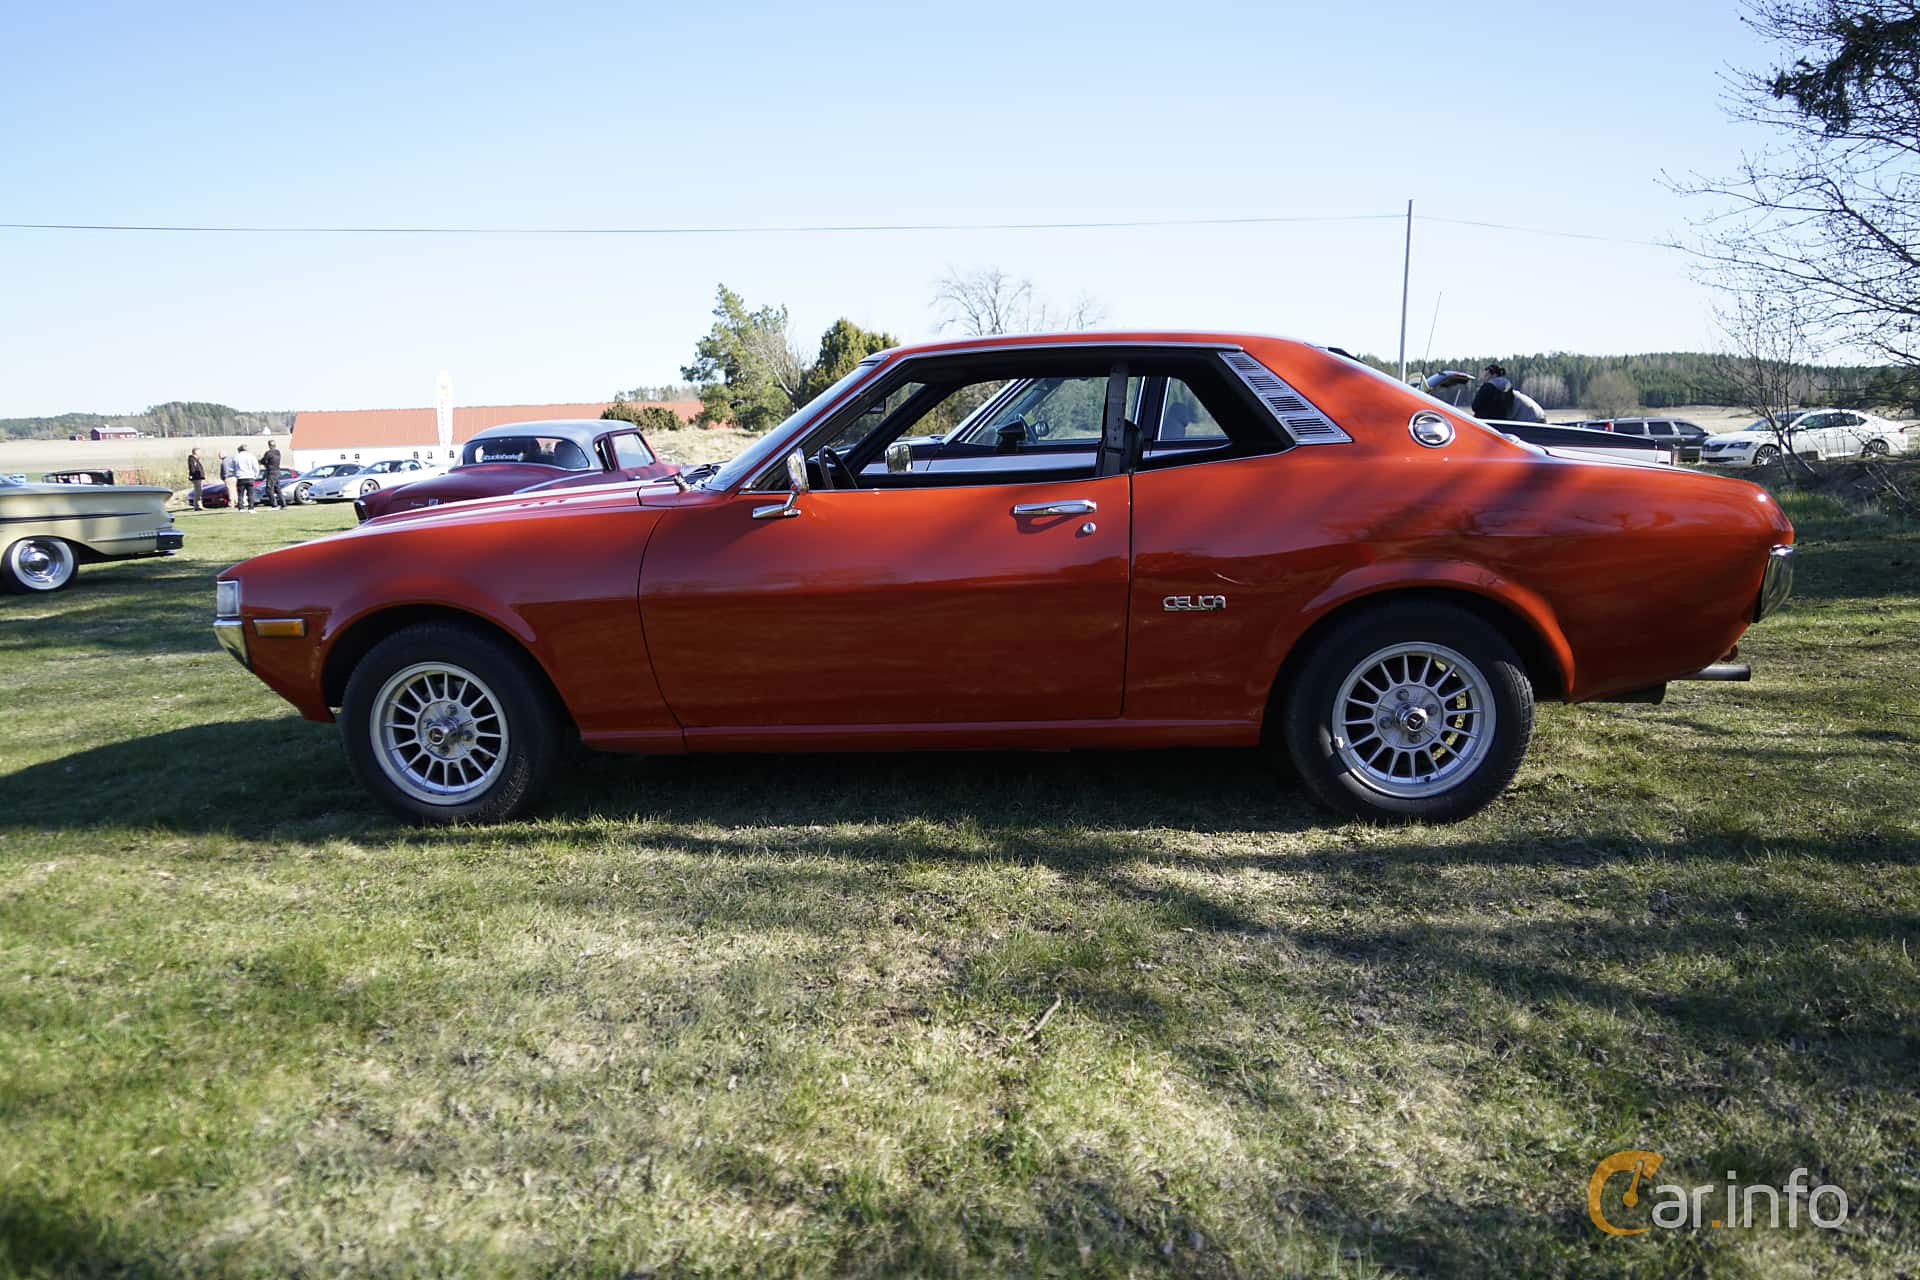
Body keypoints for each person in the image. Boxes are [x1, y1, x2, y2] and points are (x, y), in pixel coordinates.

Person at [232, 445, 259, 511]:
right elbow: (256, 467)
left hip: (240, 477)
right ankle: (251, 508)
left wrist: (236, 475)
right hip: (250, 476)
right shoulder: (251, 456)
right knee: (250, 494)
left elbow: (233, 468)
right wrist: (255, 475)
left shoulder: (236, 457)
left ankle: (241, 508)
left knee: (240, 494)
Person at [261, 439, 284, 509]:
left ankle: (274, 505)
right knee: (278, 489)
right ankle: (283, 504)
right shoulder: (278, 452)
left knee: (269, 488)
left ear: (269, 445)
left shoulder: (268, 453)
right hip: (277, 471)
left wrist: (260, 461)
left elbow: (265, 461)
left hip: (271, 472)